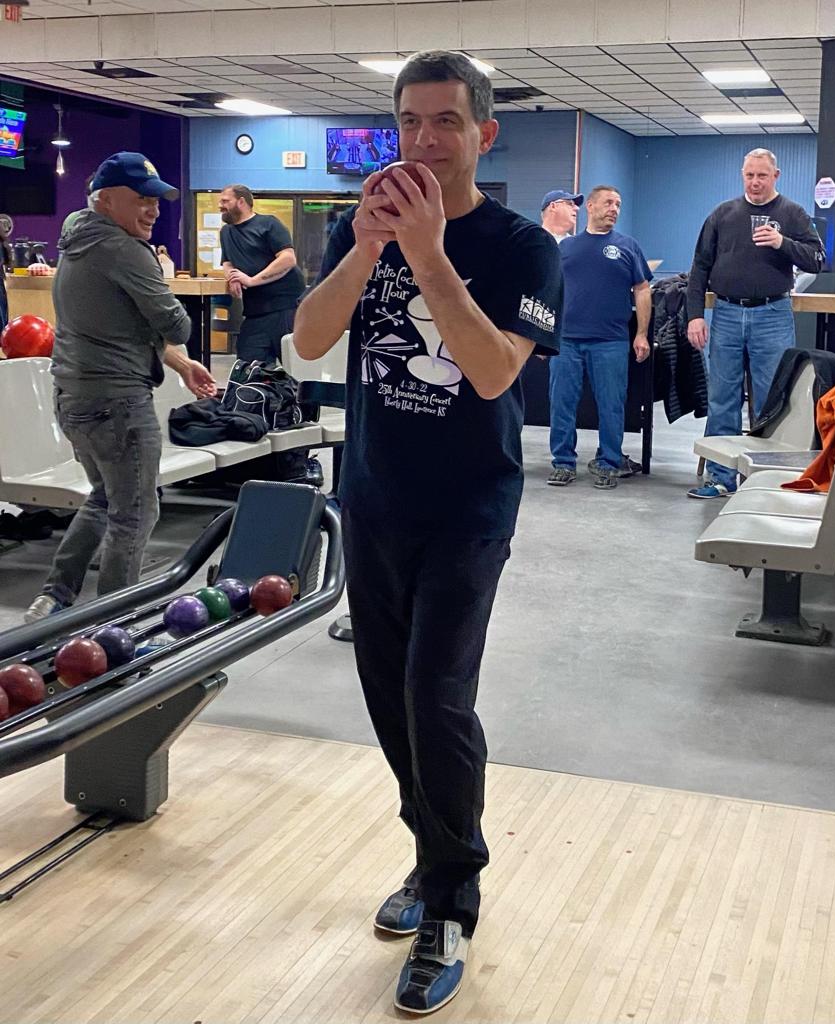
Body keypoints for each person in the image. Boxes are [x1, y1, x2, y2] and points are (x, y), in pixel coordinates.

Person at [293, 49, 562, 1015]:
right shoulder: (356, 225)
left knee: (435, 697)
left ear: (484, 132)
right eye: (409, 120)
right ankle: (430, 851)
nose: (424, 140)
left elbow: (491, 373)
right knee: (388, 698)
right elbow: (310, 339)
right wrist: (367, 248)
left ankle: (450, 901)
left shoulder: (522, 246)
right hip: (373, 496)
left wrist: (427, 253)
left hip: (469, 508)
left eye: (445, 121)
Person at [24, 152, 216, 623]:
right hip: (118, 404)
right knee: (136, 513)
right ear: (106, 199)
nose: (153, 209)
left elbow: (116, 327)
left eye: (156, 200)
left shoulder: (77, 235)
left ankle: (55, 596)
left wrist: (181, 365)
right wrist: (159, 280)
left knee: (104, 498)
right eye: (142, 199)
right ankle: (113, 625)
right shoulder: (126, 251)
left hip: (73, 397)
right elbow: (178, 324)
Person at [686, 147, 825, 499]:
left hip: (772, 315)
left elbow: (817, 259)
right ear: (742, 175)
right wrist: (695, 316)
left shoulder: (792, 213)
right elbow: (699, 267)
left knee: (770, 400)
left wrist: (782, 242)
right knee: (722, 398)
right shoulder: (723, 214)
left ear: (775, 176)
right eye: (749, 175)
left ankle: (762, 480)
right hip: (727, 314)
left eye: (762, 175)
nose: (755, 182)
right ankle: (721, 478)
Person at [547, 184, 652, 489]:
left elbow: (642, 289)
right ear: (590, 207)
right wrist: (543, 335)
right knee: (561, 404)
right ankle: (562, 463)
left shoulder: (627, 246)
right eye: (608, 203)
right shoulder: (565, 248)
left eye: (618, 204)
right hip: (566, 341)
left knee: (611, 405)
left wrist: (641, 334)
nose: (614, 209)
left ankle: (608, 463)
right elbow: (550, 290)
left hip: (611, 341)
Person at [218, 184, 306, 363]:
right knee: (248, 366)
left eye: (225, 201)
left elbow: (288, 259)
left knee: (295, 366)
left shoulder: (268, 224)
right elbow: (227, 262)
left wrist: (252, 280)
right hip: (255, 311)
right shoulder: (226, 232)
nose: (220, 205)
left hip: (285, 308)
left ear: (241, 202)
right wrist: (232, 276)